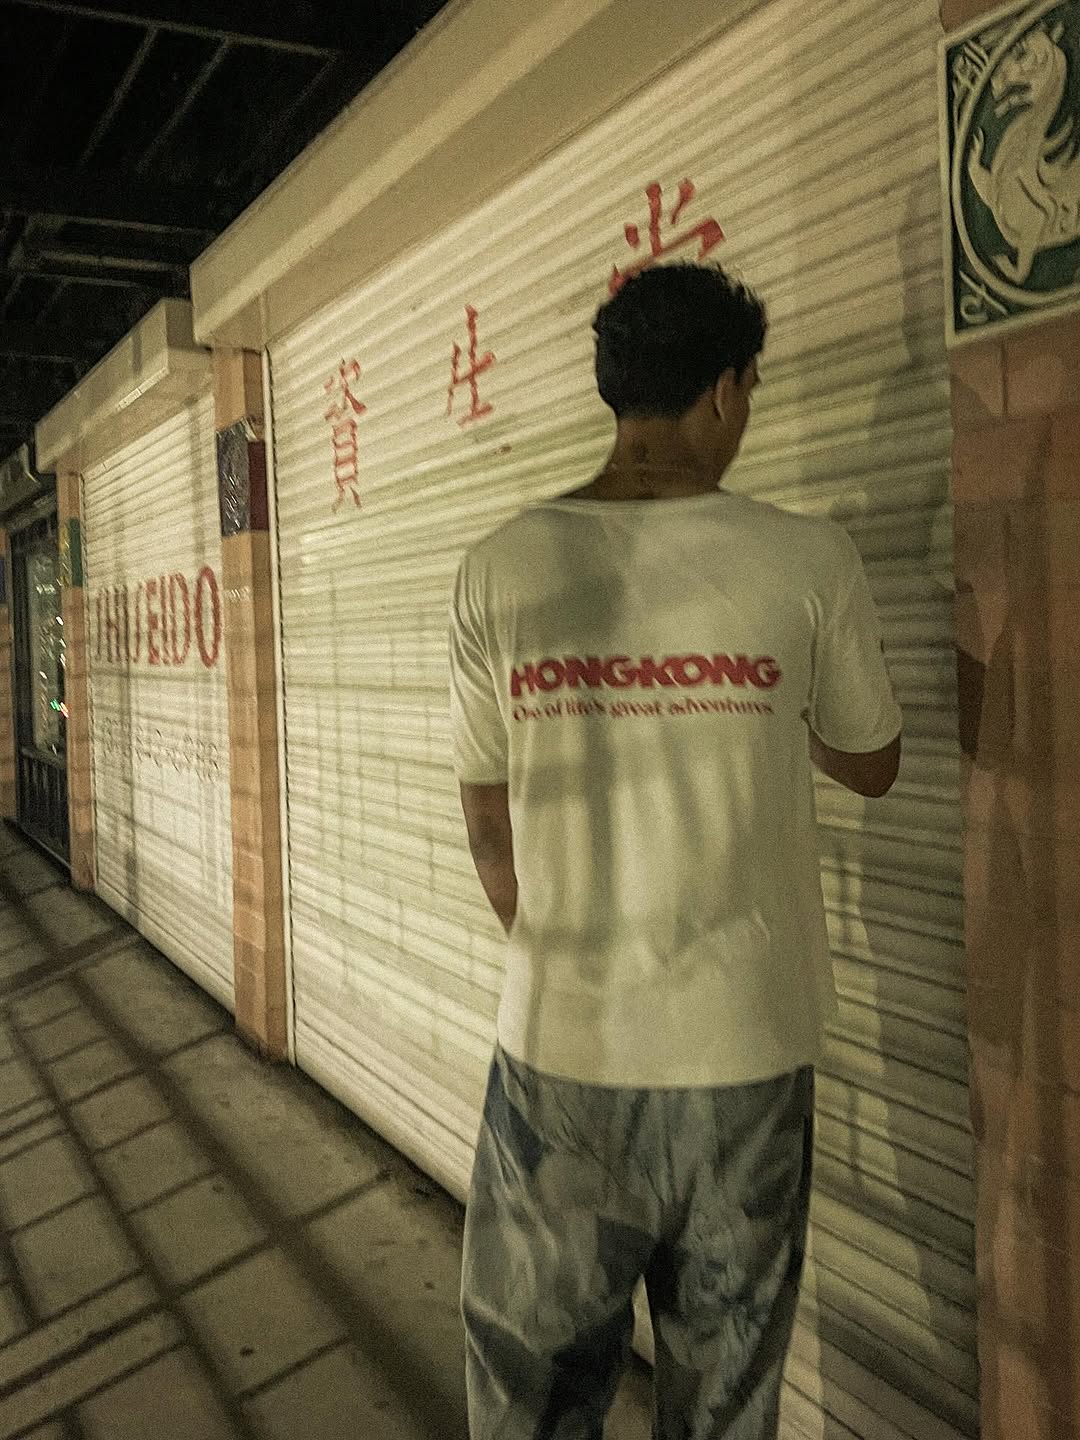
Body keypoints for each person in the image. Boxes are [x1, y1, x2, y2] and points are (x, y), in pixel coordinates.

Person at [448, 262, 902, 1440]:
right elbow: (874, 760)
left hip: (558, 1056)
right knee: (725, 1400)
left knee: (533, 1401)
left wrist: (577, 967)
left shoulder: (500, 566)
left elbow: (490, 827)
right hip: (744, 1059)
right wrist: (772, 704)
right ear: (724, 390)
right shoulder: (809, 561)